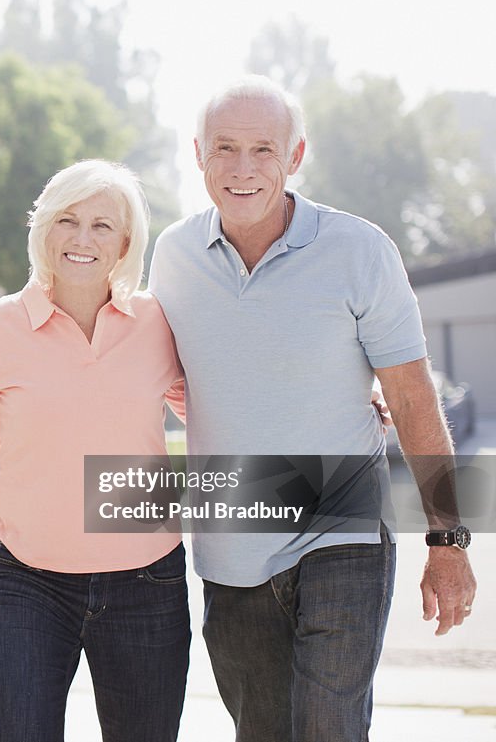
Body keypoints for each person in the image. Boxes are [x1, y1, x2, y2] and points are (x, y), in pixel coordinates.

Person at [149, 75, 477, 742]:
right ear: (198, 154)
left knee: (329, 728)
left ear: (295, 156)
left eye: (263, 149)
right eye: (226, 148)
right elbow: (158, 375)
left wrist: (447, 537)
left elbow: (412, 397)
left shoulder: (360, 250)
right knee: (261, 731)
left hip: (343, 526)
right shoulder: (172, 257)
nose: (243, 169)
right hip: (232, 539)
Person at [0, 159, 190, 742]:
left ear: (125, 243)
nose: (83, 238)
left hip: (148, 586)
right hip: (26, 586)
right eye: (67, 220)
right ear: (43, 230)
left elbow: (226, 416)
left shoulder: (157, 322)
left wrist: (347, 398)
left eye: (101, 225)